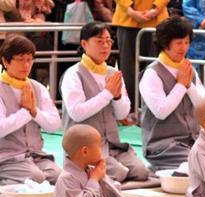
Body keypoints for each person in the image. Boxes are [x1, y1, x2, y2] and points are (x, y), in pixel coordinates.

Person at [61, 22, 150, 183]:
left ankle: (101, 172)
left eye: (109, 41)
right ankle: (84, 171)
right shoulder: (73, 74)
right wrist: (108, 93)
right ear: (84, 44)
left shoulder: (112, 73)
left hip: (113, 144)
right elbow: (76, 112)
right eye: (99, 41)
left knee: (141, 172)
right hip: (86, 149)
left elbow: (123, 113)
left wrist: (116, 97)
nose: (105, 46)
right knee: (120, 173)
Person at [0, 35, 62, 186]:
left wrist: (34, 111)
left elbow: (54, 124)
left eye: (29, 59)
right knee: (36, 178)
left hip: (35, 155)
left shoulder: (37, 88)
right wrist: (26, 112)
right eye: (20, 59)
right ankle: (0, 178)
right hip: (5, 157)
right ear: (5, 61)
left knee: (60, 177)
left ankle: (18, 181)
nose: (26, 65)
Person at [139, 16, 205, 171]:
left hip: (194, 141)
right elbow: (161, 111)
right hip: (163, 145)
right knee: (202, 165)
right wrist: (181, 85)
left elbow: (204, 105)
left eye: (186, 42)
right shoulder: (152, 73)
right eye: (179, 43)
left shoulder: (189, 69)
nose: (183, 47)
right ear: (165, 43)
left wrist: (189, 85)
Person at [112, 0, 168, 112]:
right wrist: (130, 11)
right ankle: (130, 110)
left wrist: (156, 10)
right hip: (126, 20)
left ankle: (152, 108)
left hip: (156, 21)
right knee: (128, 69)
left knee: (154, 68)